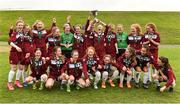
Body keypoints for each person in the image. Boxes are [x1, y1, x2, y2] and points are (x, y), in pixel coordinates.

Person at [7, 19, 25, 91]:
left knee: (21, 67)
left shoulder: (23, 33)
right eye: (19, 25)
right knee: (14, 68)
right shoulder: (14, 33)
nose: (20, 26)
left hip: (21, 53)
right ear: (16, 26)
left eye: (21, 25)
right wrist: (16, 47)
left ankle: (17, 81)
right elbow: (10, 42)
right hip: (14, 52)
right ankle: (9, 83)